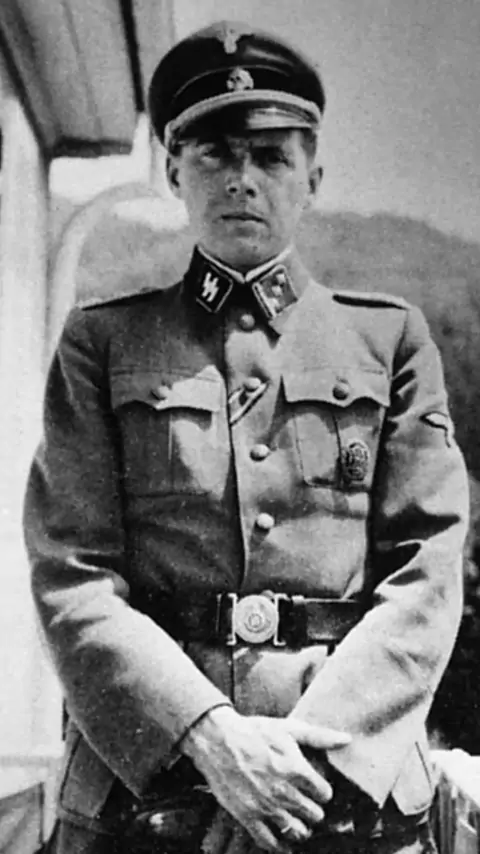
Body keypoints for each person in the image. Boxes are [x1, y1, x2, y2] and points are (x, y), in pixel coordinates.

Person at [24, 19, 469, 854]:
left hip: (346, 793)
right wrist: (206, 736)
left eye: (270, 157)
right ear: (173, 172)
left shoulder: (389, 342)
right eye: (214, 154)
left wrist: (303, 762)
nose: (242, 179)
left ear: (312, 179)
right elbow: (72, 570)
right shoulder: (102, 343)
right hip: (149, 791)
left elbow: (427, 571)